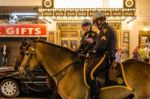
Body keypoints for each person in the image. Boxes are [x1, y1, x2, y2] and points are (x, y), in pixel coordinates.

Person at [84, 12, 117, 99]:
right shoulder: (105, 29)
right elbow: (101, 43)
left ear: (99, 21)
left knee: (89, 74)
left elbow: (101, 47)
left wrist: (90, 52)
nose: (95, 25)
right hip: (104, 55)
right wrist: (94, 42)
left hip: (105, 56)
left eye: (95, 23)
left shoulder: (105, 29)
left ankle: (96, 96)